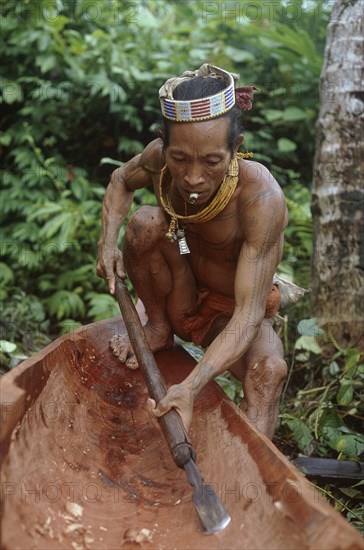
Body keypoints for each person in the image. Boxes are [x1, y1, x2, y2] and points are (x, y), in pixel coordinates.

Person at [96, 64, 288, 440]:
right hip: (177, 298)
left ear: (236, 148)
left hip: (230, 317)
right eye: (180, 158)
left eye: (212, 161)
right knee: (146, 223)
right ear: (163, 144)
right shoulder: (157, 162)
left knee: (268, 372)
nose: (194, 177)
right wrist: (106, 245)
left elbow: (249, 314)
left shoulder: (261, 200)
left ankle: (248, 487)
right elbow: (120, 180)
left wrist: (190, 386)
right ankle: (158, 328)